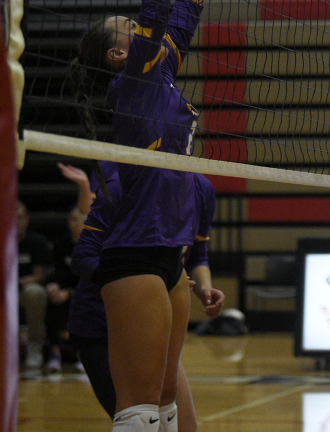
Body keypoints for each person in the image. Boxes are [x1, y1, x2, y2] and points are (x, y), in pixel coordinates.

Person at [68, 0, 204, 432]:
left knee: (170, 411)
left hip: (168, 256)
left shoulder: (162, 71)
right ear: (120, 53)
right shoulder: (135, 80)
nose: (139, 21)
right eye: (128, 28)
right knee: (142, 410)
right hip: (131, 255)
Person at [69, 161, 223, 430]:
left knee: (184, 425)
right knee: (140, 417)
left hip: (156, 328)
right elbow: (83, 257)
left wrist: (204, 287)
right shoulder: (123, 186)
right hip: (100, 328)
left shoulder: (200, 188)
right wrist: (139, 286)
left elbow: (197, 254)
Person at [44, 206, 86, 373]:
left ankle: (82, 356)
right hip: (64, 292)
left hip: (85, 293)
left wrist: (70, 292)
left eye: (82, 220)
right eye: (73, 219)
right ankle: (54, 353)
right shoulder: (61, 244)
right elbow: (55, 271)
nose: (77, 224)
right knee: (53, 302)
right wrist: (53, 286)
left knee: (84, 305)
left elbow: (92, 279)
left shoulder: (94, 245)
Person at [17, 201, 53, 370]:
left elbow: (39, 276)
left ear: (27, 220)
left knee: (35, 293)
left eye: (20, 217)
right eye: (12, 217)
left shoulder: (37, 241)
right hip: (0, 290)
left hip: (22, 288)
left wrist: (15, 283)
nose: (16, 221)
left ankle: (34, 345)